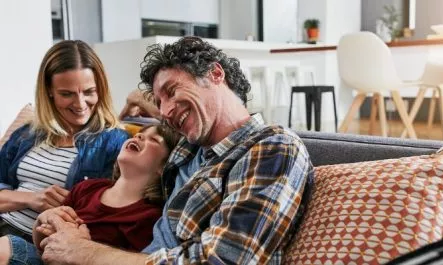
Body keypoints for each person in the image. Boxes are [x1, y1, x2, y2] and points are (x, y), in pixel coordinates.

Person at [39, 36, 314, 265]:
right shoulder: (190, 145)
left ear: (216, 73)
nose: (166, 111)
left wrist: (83, 252)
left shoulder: (271, 146)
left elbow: (223, 260)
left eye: (172, 91)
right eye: (159, 103)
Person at [0, 40, 129, 241]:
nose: (80, 104)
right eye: (66, 94)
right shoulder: (28, 134)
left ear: (101, 89)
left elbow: (104, 215)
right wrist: (32, 199)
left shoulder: (114, 143)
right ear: (49, 91)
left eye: (89, 92)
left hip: (33, 239)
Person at [0, 124, 181, 265]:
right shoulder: (87, 187)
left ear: (163, 167)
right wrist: (43, 220)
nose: (139, 135)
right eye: (138, 134)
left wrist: (83, 248)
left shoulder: (149, 217)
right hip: (44, 258)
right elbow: (43, 246)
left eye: (154, 140)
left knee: (5, 247)